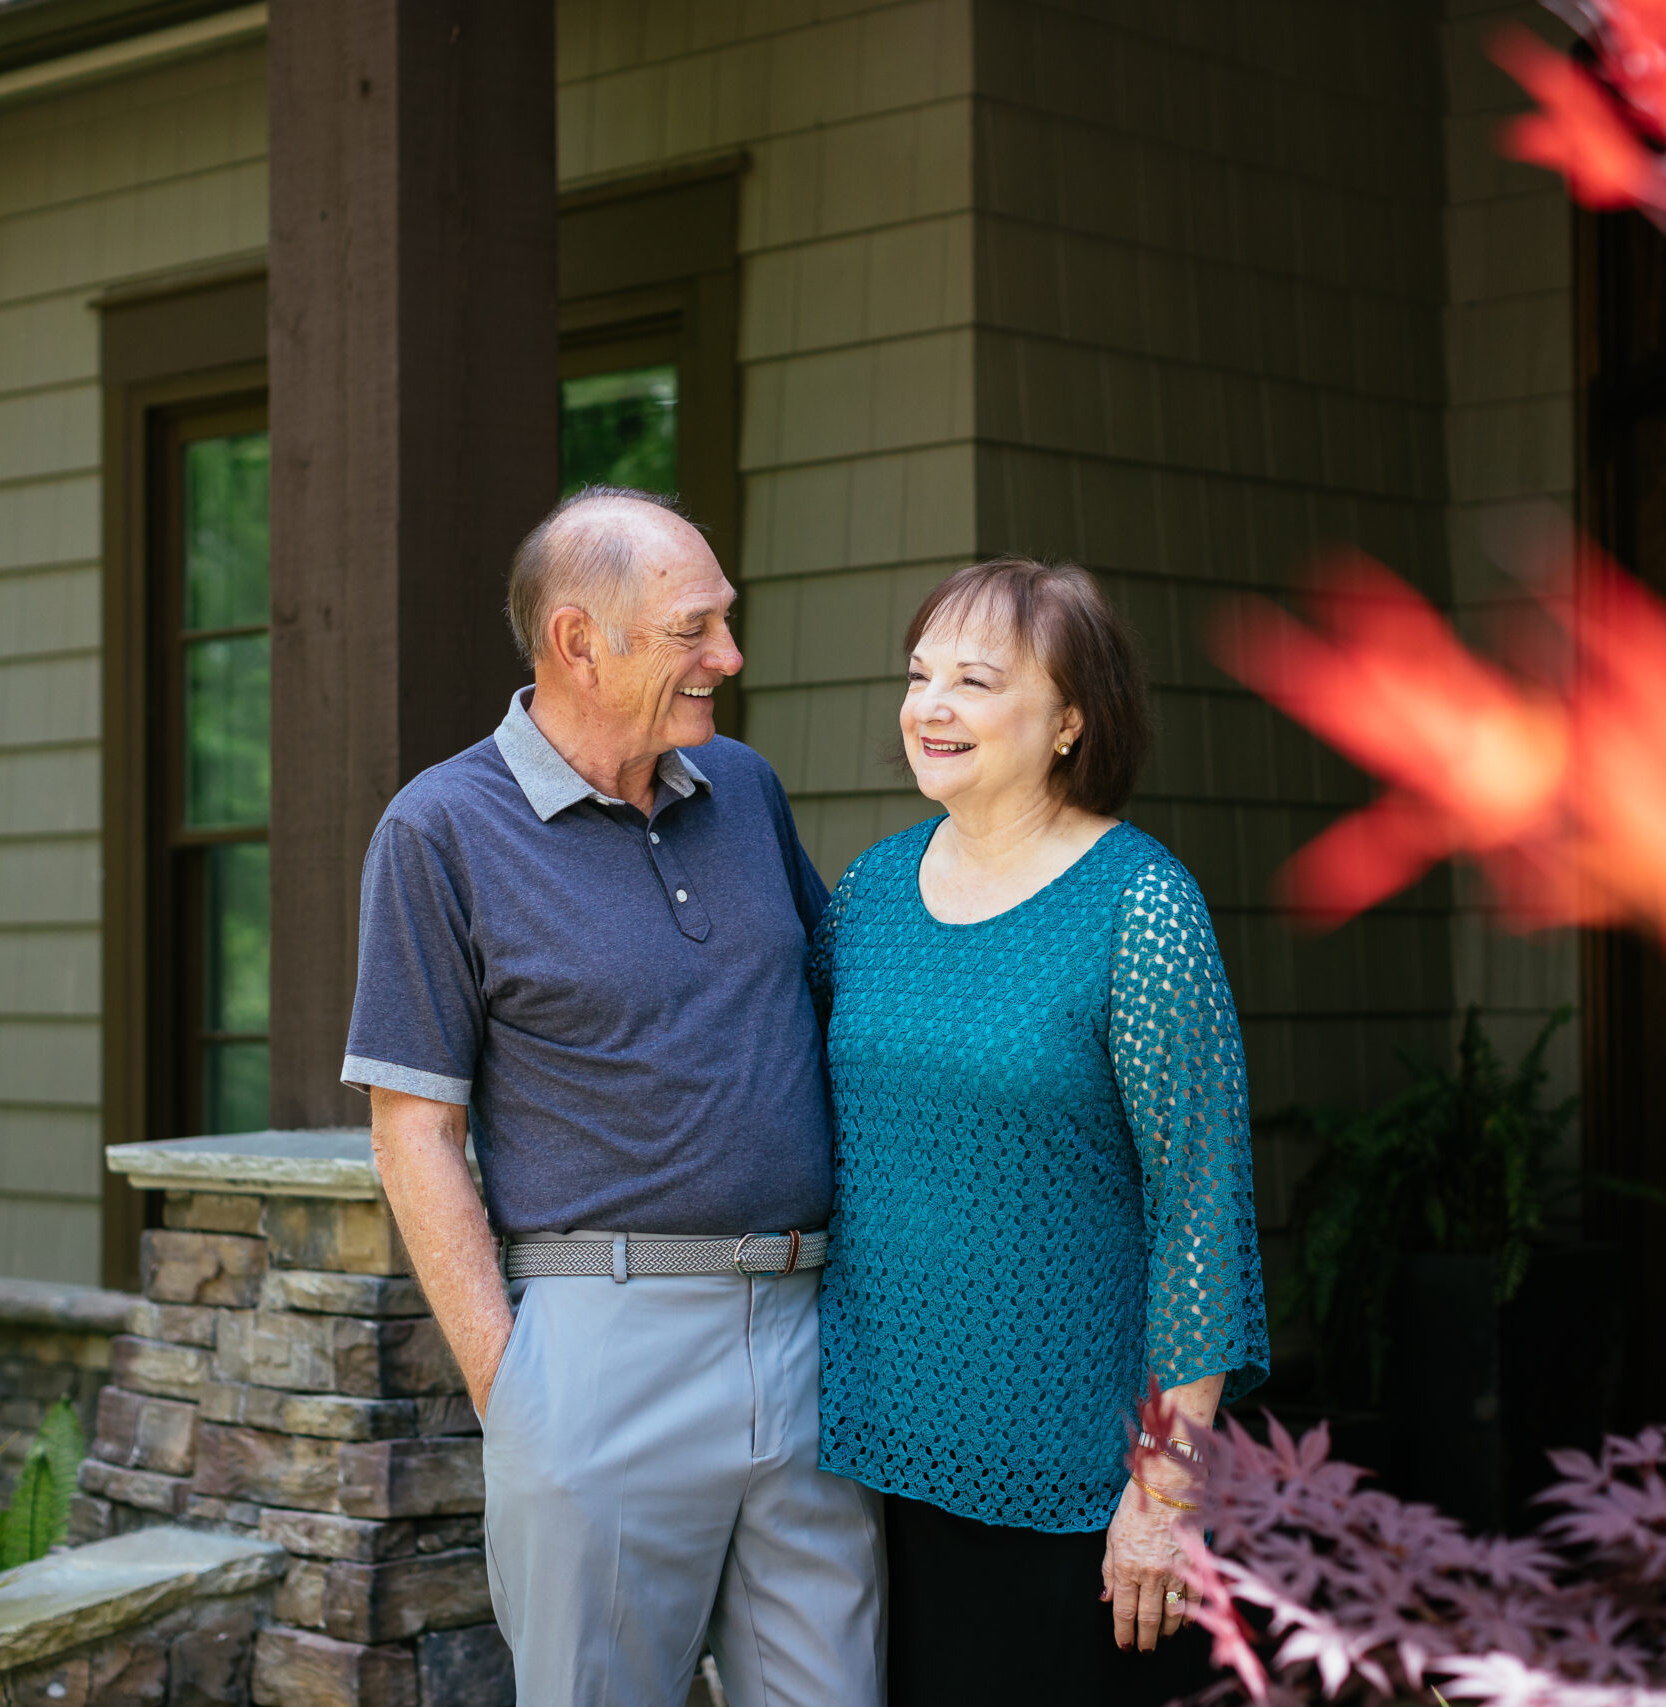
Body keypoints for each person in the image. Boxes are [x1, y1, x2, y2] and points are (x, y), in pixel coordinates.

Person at [342, 486, 884, 1707]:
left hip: (807, 1333)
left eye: (723, 623)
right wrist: (513, 1389)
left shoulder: (741, 789)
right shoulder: (438, 831)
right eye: (696, 628)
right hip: (603, 1346)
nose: (728, 658)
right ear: (579, 640)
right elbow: (412, 1132)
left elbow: (835, 1002)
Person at [810, 557, 1269, 1707]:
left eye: (974, 679)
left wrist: (1165, 1491)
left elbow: (1200, 1207)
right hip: (862, 1465)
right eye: (918, 676)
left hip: (1071, 1476)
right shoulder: (866, 893)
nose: (931, 707)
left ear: (1070, 720)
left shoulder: (1139, 903)